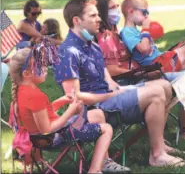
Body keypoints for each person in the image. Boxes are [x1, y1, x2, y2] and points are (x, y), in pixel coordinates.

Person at [53, 0, 185, 168]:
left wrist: (125, 90)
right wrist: (112, 95)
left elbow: (108, 80)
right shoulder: (68, 52)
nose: (99, 19)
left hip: (110, 97)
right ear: (77, 20)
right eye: (93, 16)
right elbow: (74, 98)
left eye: (98, 15)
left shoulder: (93, 46)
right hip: (94, 109)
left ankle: (160, 147)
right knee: (156, 93)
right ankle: (157, 155)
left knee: (163, 85)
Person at [94, 0, 185, 143]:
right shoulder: (106, 38)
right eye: (113, 7)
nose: (118, 10)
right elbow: (111, 70)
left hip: (145, 73)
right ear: (103, 11)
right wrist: (141, 73)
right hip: (133, 81)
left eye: (118, 6)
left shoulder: (116, 33)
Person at [9, 45, 114, 174]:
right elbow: (47, 129)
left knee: (97, 114)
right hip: (57, 137)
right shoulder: (35, 96)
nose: (45, 68)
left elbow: (41, 114)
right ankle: (94, 169)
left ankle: (104, 160)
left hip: (41, 139)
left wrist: (60, 101)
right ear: (26, 74)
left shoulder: (23, 91)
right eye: (40, 66)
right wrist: (70, 111)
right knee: (107, 128)